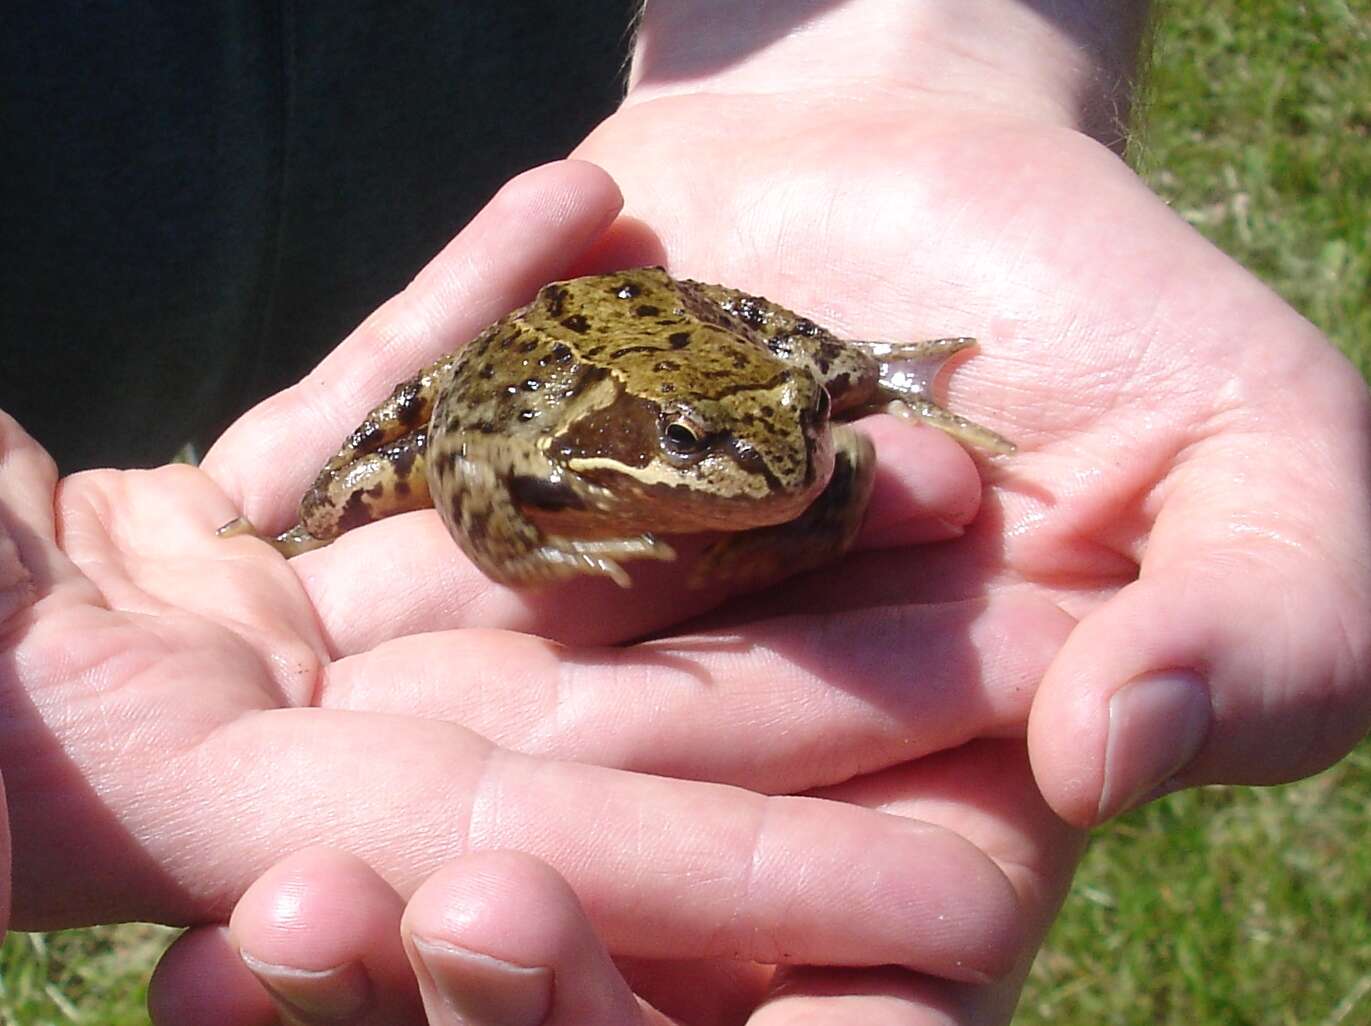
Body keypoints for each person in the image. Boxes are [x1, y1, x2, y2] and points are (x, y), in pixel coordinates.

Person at [2, 3, 1368, 1024]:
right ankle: (292, 532)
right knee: (363, 472)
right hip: (508, 351)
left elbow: (792, 448)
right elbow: (475, 451)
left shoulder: (774, 435)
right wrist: (533, 540)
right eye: (725, 451)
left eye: (795, 440)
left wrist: (908, 60)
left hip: (523, 129)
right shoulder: (574, 438)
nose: (778, 465)